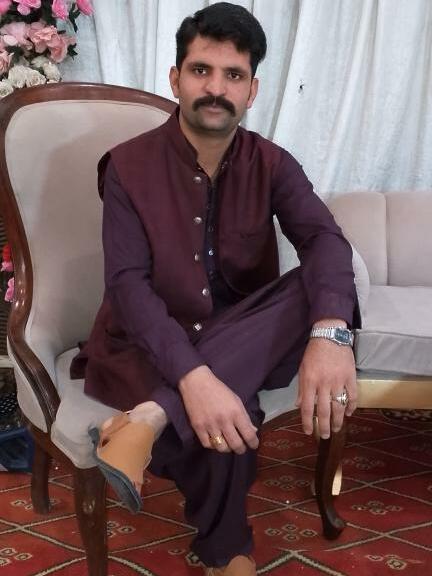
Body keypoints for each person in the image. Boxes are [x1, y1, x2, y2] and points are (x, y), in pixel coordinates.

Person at [72, 3, 360, 575]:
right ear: (175, 78)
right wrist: (194, 377)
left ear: (252, 91)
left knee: (323, 282)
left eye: (233, 75)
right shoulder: (128, 167)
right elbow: (127, 287)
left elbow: (325, 241)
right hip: (148, 343)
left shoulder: (273, 164)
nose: (216, 88)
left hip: (242, 333)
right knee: (229, 407)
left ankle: (149, 419)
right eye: (201, 70)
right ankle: (226, 551)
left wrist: (332, 334)